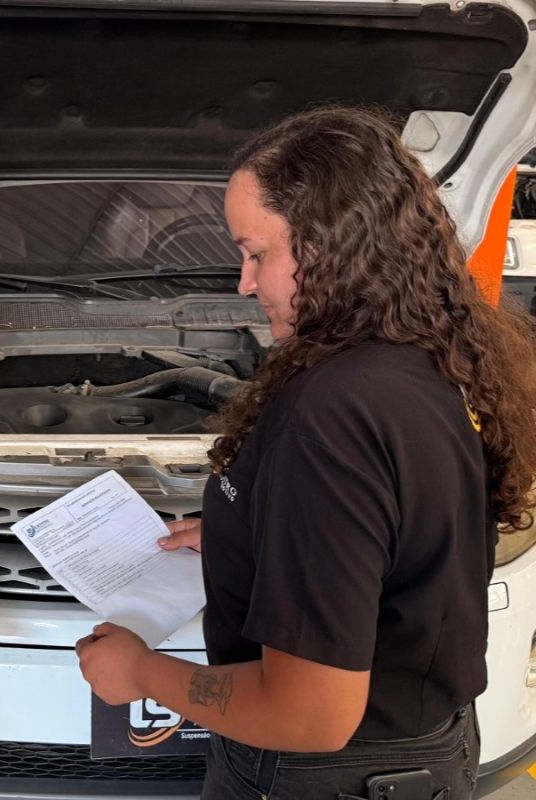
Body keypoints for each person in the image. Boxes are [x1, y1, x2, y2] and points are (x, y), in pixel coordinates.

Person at [76, 106, 536, 799]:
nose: (244, 282)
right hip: (421, 746)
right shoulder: (430, 356)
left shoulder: (331, 414)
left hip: (323, 774)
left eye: (258, 253)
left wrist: (141, 675)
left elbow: (309, 712)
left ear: (333, 246)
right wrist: (258, 530)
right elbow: (396, 532)